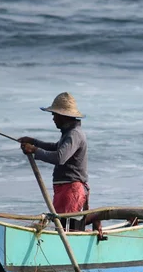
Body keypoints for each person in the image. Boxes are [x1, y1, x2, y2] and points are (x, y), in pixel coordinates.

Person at [19, 92, 90, 222]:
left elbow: (59, 157)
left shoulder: (74, 135)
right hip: (66, 189)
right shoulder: (69, 133)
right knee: (62, 226)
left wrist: (34, 150)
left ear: (63, 116)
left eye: (54, 115)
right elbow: (56, 147)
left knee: (65, 228)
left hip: (71, 190)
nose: (53, 119)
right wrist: (34, 142)